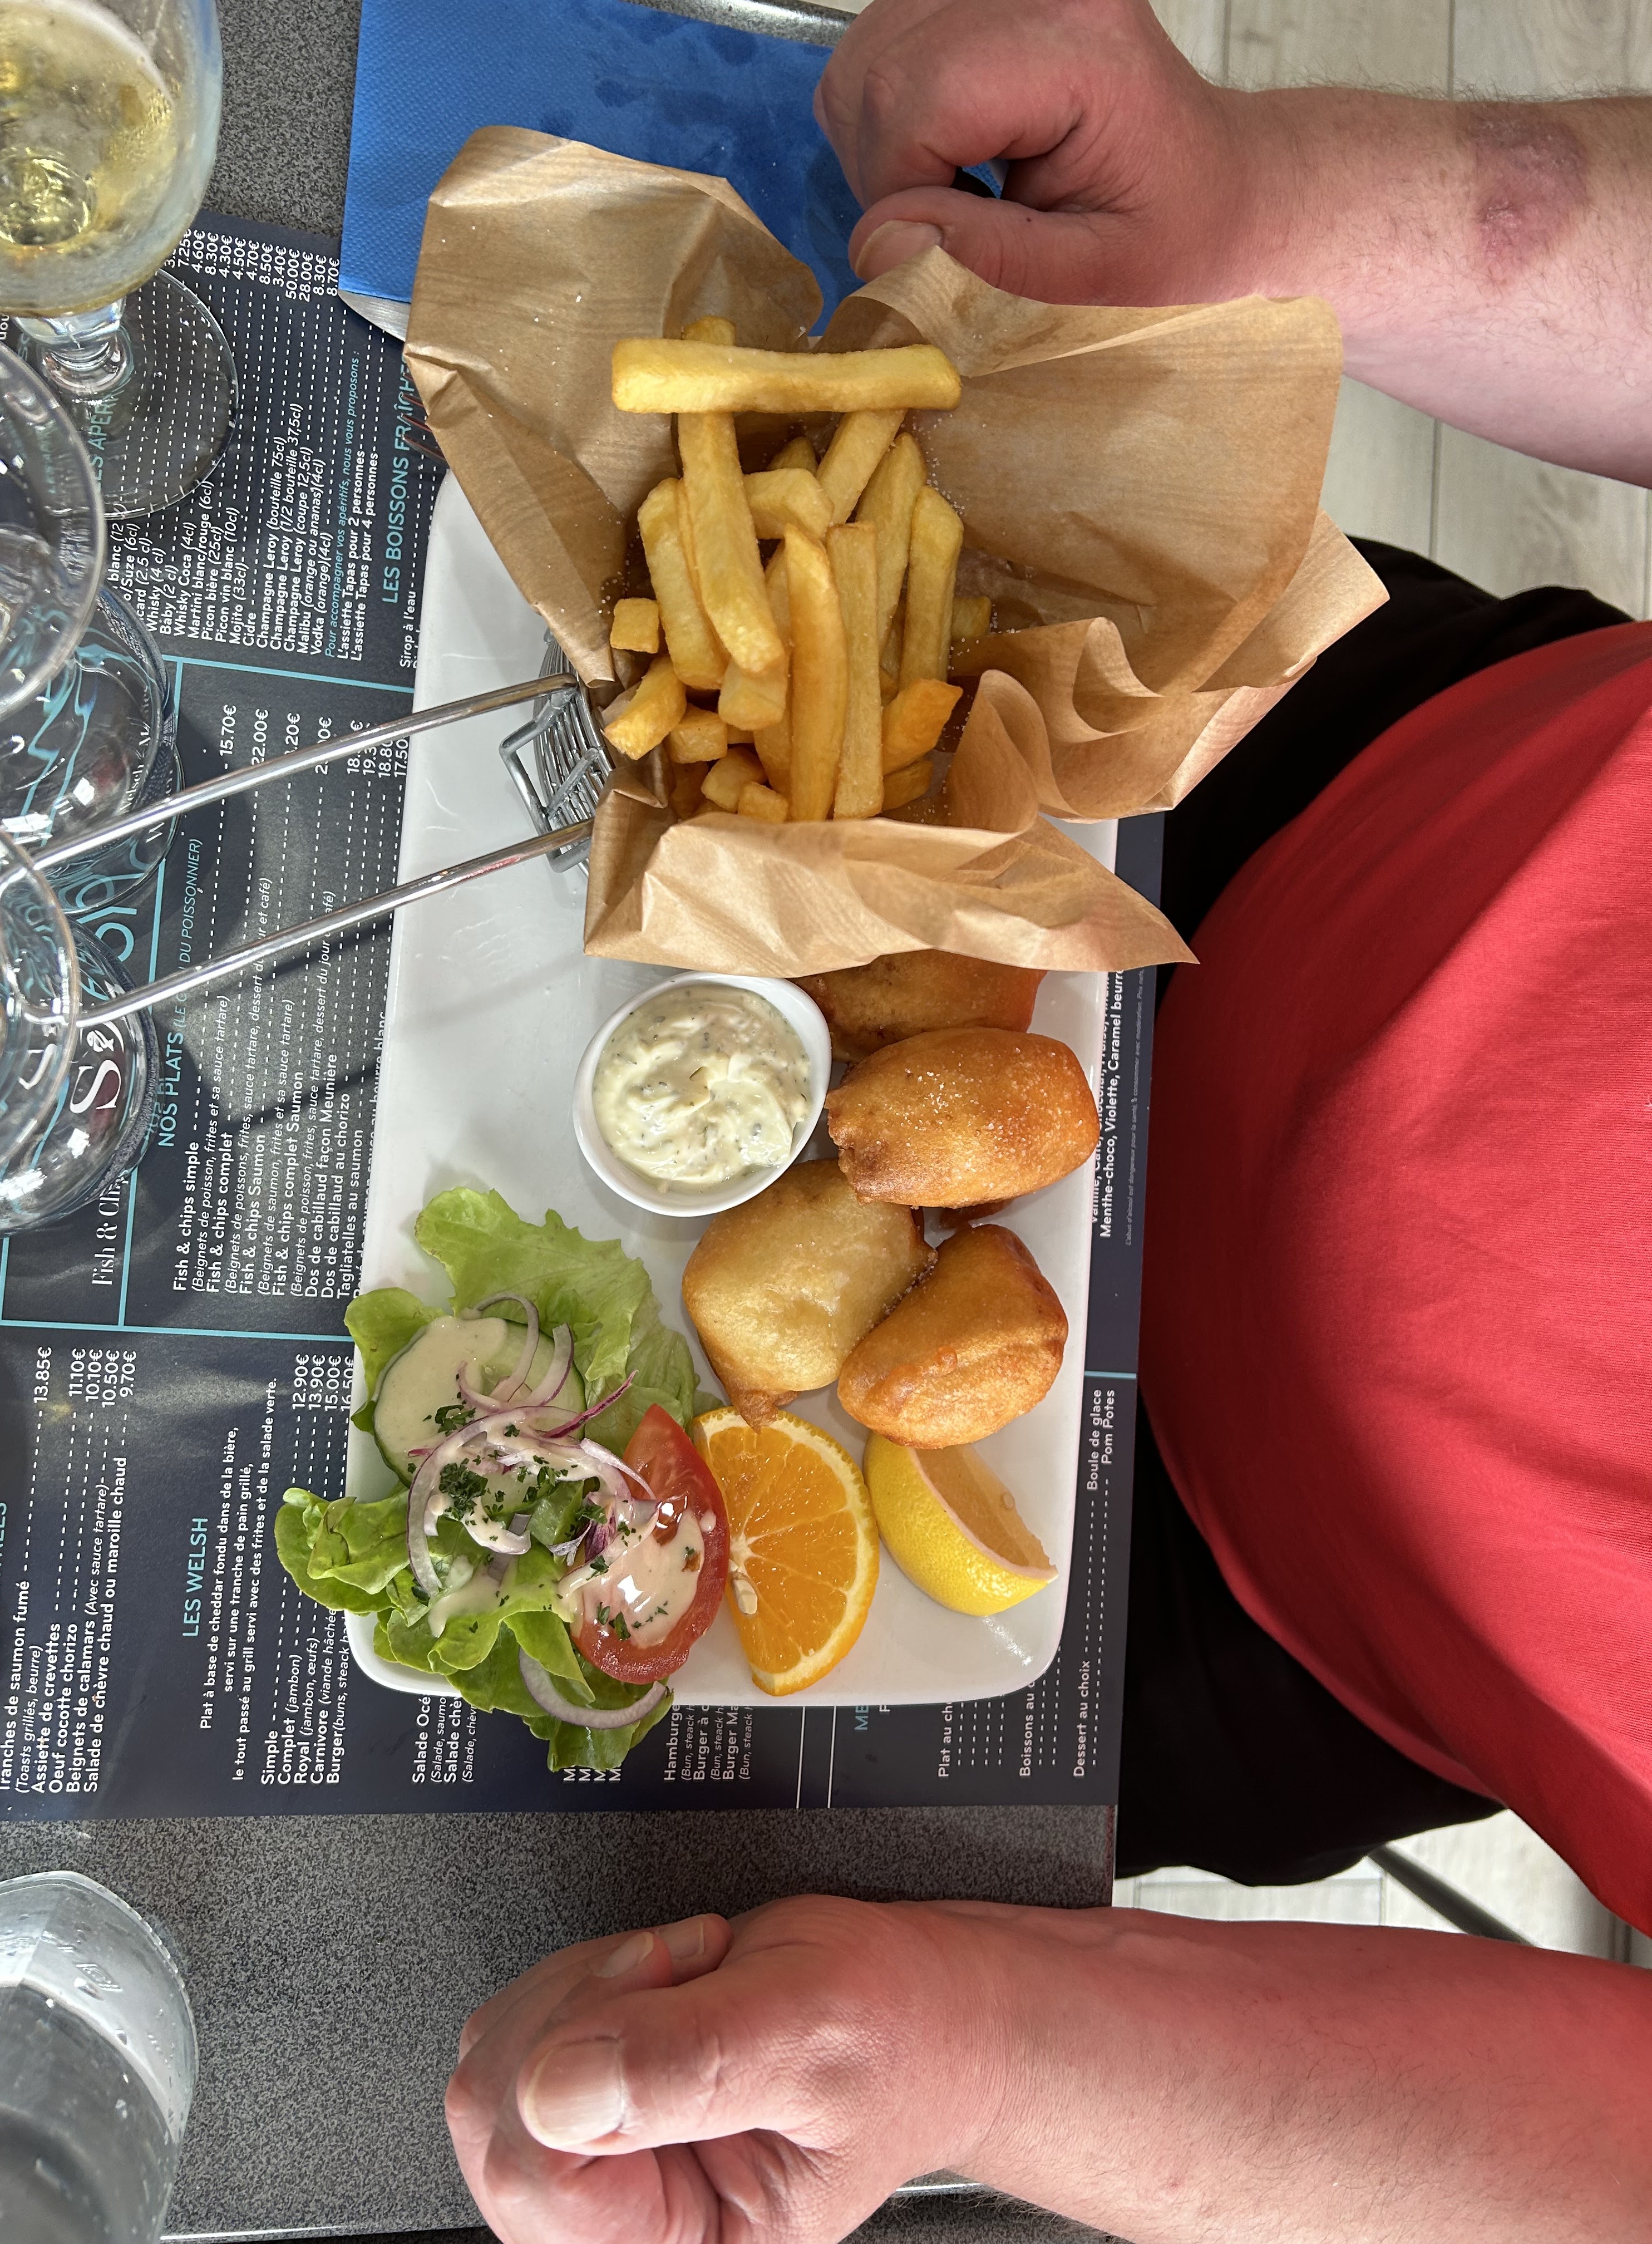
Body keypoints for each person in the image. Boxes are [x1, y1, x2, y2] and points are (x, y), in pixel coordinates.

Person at [445, 4, 1652, 2236]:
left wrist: (976, 2047)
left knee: (495, 1803)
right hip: (1316, 755)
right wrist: (1275, 199)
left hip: (1221, 1618)